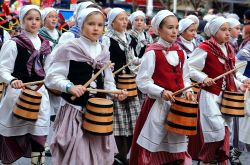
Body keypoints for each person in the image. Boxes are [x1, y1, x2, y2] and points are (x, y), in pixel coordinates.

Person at [45, 8, 127, 165]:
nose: (96, 28)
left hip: (98, 113)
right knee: (76, 155)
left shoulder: (103, 50)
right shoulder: (69, 47)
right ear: (81, 25)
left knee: (97, 155)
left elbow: (108, 80)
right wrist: (69, 86)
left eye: (100, 25)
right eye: (91, 24)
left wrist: (115, 92)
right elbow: (52, 77)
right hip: (74, 109)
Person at [130, 10, 194, 165]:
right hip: (156, 107)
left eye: (176, 27)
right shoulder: (152, 53)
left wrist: (189, 91)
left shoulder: (180, 52)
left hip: (178, 109)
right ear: (159, 29)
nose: (174, 31)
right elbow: (142, 81)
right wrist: (161, 91)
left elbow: (185, 77)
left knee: (176, 150)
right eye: (170, 27)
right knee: (153, 147)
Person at [188, 16, 248, 165]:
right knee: (216, 131)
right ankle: (206, 160)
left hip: (225, 97)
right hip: (209, 95)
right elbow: (190, 68)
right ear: (214, 31)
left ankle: (214, 160)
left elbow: (231, 73)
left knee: (224, 130)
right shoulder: (205, 48)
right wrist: (203, 78)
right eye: (223, 30)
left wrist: (241, 82)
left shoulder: (228, 48)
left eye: (229, 29)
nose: (228, 33)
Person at [0, 5, 51, 165]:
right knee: (10, 133)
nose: (34, 22)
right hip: (17, 92)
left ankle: (38, 162)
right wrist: (11, 80)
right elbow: (3, 69)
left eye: (37, 19)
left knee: (40, 131)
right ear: (22, 22)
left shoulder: (46, 45)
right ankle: (7, 160)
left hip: (40, 93)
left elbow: (49, 70)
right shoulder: (14, 43)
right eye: (29, 19)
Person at [102, 7, 141, 165]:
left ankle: (124, 156)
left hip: (130, 84)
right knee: (118, 124)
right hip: (115, 85)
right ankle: (119, 157)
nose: (125, 22)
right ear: (111, 22)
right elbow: (102, 58)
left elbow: (133, 59)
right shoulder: (106, 39)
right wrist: (107, 65)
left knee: (133, 121)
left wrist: (144, 61)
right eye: (120, 19)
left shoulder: (129, 38)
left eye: (126, 19)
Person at [128, 10, 153, 105]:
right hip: (132, 70)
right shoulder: (128, 36)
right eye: (136, 20)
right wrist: (142, 61)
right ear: (132, 22)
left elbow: (151, 52)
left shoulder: (147, 36)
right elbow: (130, 58)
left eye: (142, 20)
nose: (139, 22)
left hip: (145, 70)